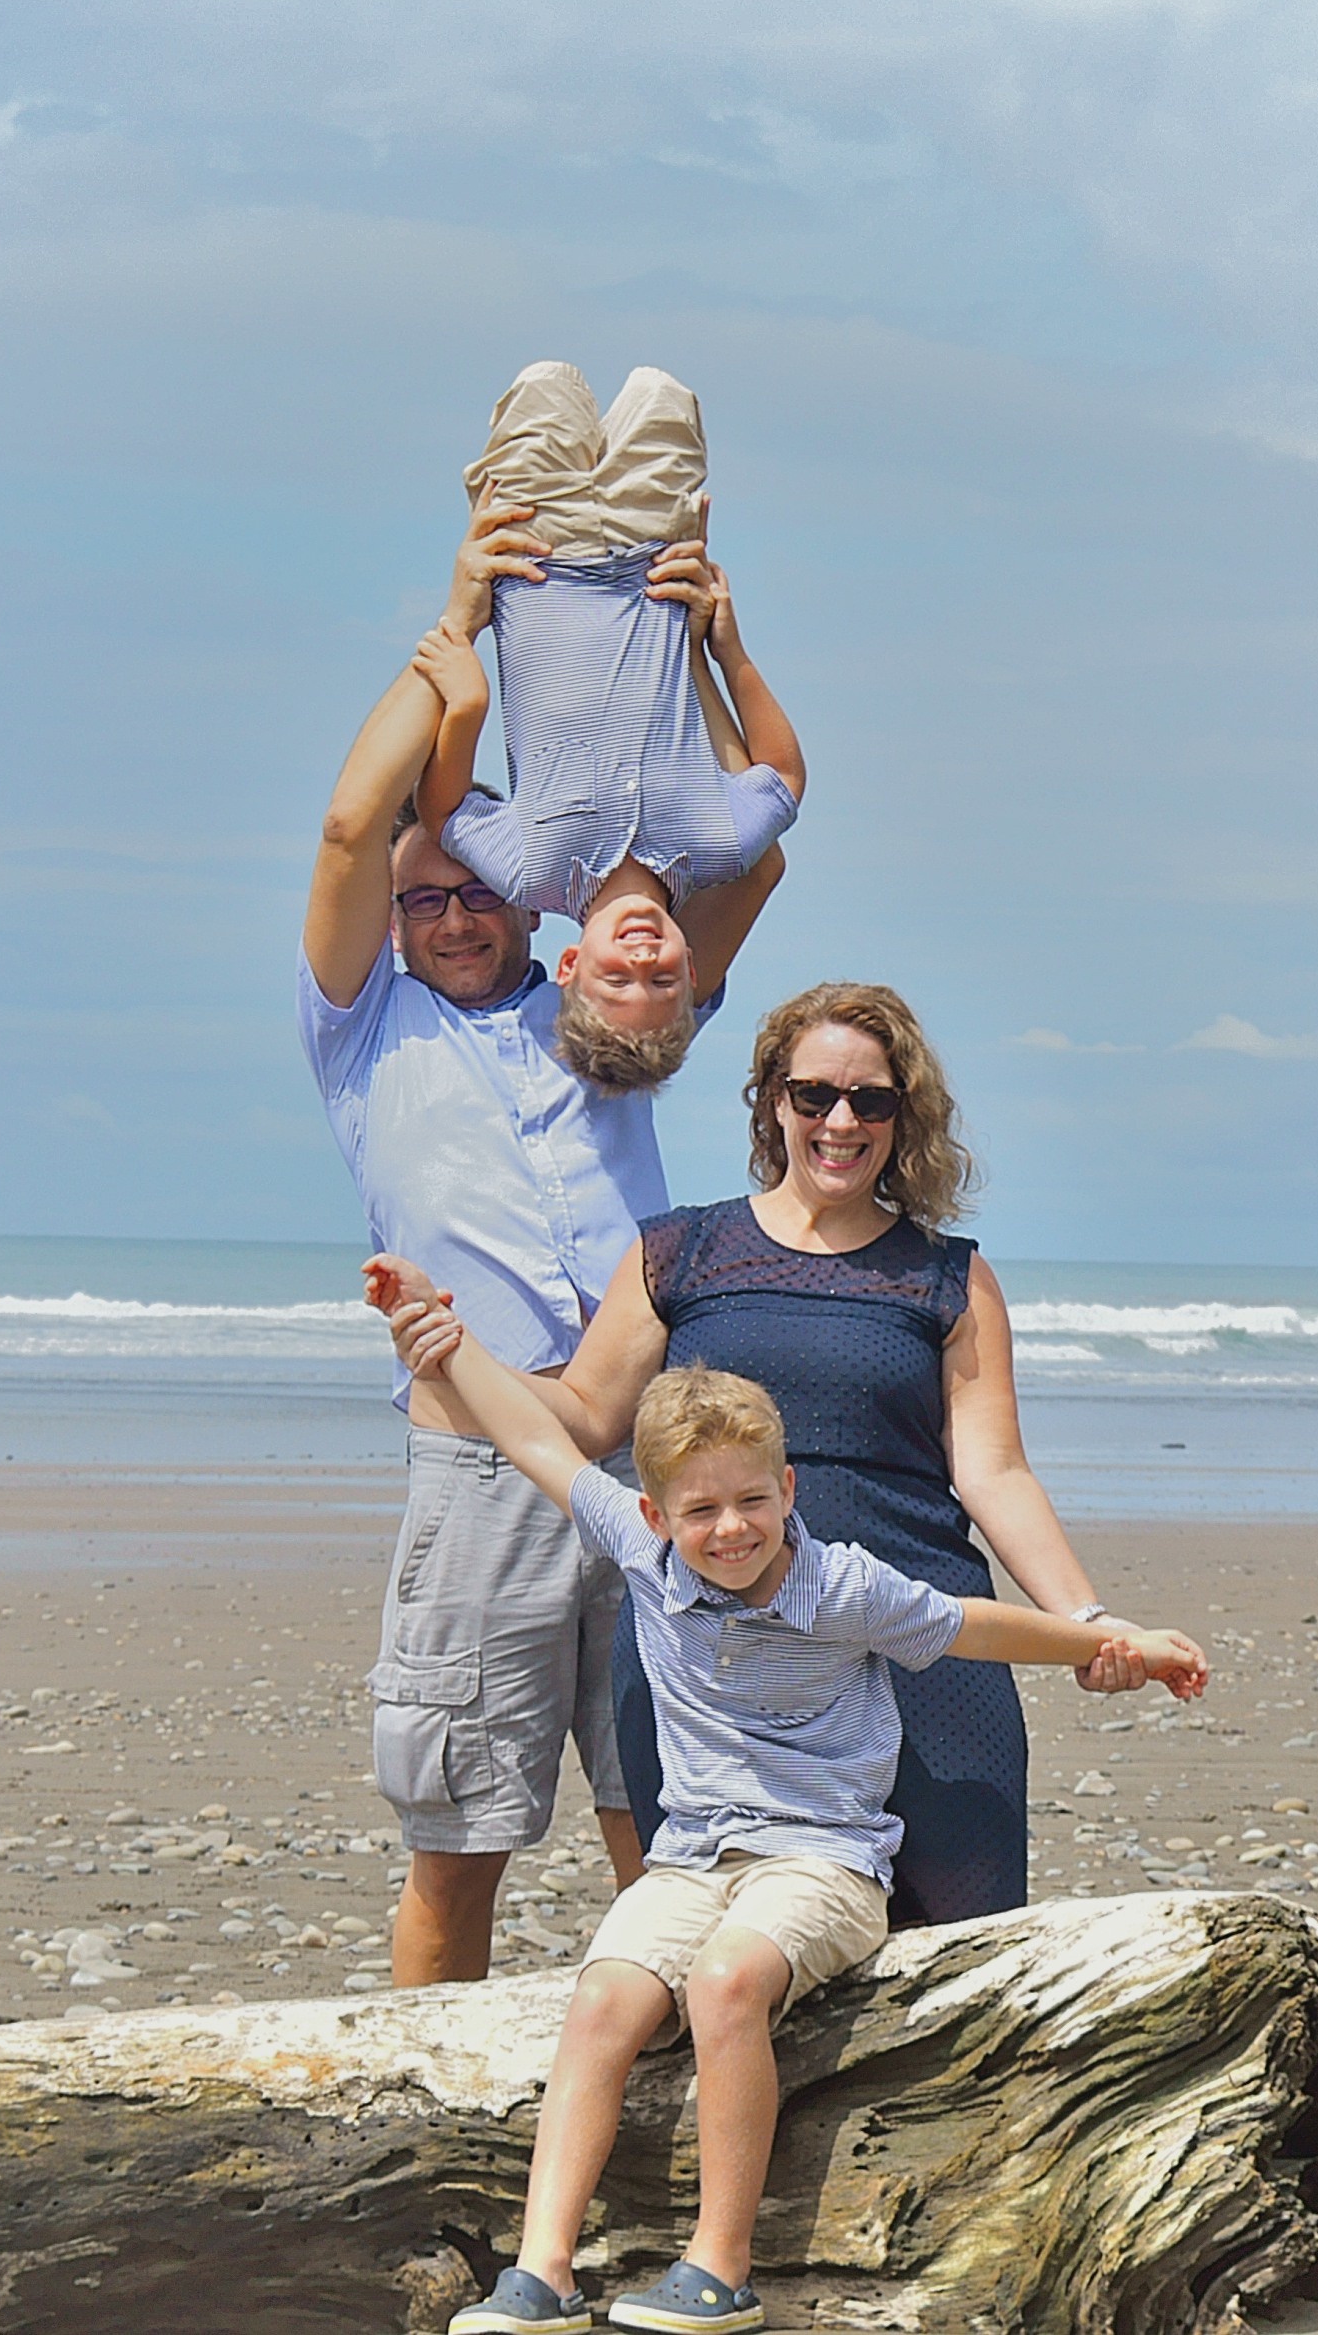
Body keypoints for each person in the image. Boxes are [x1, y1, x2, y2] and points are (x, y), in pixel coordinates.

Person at [364, 1274, 1206, 2335]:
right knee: (602, 1999)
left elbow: (977, 1624)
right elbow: (539, 1447)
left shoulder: (844, 1584)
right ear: (655, 1512)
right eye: (701, 1509)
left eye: (751, 1500)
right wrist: (445, 1346)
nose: (728, 1529)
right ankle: (544, 2271)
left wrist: (1115, 1638)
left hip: (827, 1862)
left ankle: (719, 2264)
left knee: (723, 1983)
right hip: (693, 1858)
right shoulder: (638, 1547)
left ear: (788, 1487)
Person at [388, 980, 1155, 1934]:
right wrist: (456, 1355)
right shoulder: (682, 1252)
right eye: (813, 1095)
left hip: (916, 1635)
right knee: (711, 1950)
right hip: (713, 1650)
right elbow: (582, 1416)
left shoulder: (949, 1277)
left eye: (869, 1100)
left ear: (901, 1115)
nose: (840, 1120)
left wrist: (1085, 1621)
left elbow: (993, 1471)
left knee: (960, 1948)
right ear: (771, 1101)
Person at [299, 491, 787, 1986]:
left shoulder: (603, 1000)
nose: (447, 914)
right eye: (421, 897)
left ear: (530, 896)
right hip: (485, 1456)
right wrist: (456, 632)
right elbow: (348, 824)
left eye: (471, 888)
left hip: (651, 1449)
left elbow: (751, 858)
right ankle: (427, 2148)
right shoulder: (357, 1030)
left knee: (674, 1824)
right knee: (462, 1836)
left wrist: (709, 641)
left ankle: (659, 2121)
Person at [408, 361, 805, 1094]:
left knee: (542, 383)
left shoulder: (531, 872)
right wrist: (726, 652)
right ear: (691, 966)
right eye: (657, 978)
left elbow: (442, 810)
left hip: (531, 554)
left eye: (614, 976)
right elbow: (781, 781)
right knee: (662, 390)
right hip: (657, 554)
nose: (639, 955)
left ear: (567, 964)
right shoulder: (716, 845)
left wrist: (466, 706)